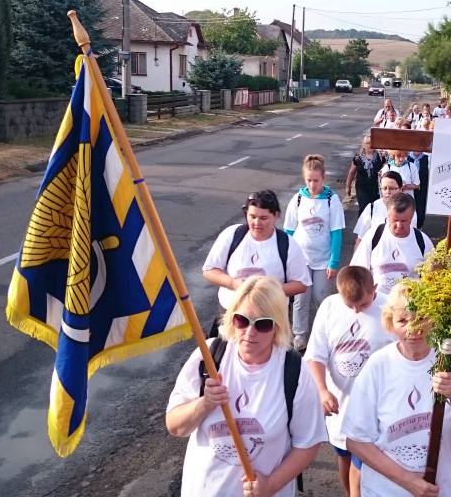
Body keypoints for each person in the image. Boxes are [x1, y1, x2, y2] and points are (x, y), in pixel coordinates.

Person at [166, 277, 328, 497]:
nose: (250, 332)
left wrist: (270, 485)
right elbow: (175, 427)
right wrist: (204, 404)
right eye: (242, 320)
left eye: (262, 324)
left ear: (277, 326)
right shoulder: (209, 357)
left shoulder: (294, 370)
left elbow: (308, 443)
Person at [342, 284, 451, 497]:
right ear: (390, 323)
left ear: (435, 318)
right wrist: (409, 482)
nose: (413, 329)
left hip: (447, 490)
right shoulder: (378, 365)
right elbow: (356, 441)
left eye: (422, 318)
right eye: (402, 320)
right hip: (386, 492)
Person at [304, 267, 395, 497]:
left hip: (379, 405)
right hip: (341, 405)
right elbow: (315, 355)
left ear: (374, 289)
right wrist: (322, 390)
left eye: (363, 305)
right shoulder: (329, 307)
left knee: (369, 462)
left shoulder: (389, 308)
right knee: (344, 456)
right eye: (350, 305)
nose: (356, 310)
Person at [202, 190, 312, 336]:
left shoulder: (287, 244)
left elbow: (301, 284)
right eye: (252, 216)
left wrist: (266, 292)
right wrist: (233, 283)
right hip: (232, 315)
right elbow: (209, 270)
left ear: (276, 215)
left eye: (264, 218)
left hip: (269, 320)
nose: (256, 223)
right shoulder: (232, 235)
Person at [284, 155, 346, 351]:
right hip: (301, 259)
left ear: (323, 178)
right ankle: (300, 335)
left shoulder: (330, 200)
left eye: (316, 180)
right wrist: (287, 258)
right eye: (309, 180)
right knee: (300, 300)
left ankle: (324, 333)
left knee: (321, 297)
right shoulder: (298, 199)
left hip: (323, 259)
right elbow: (289, 231)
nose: (312, 185)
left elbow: (336, 231)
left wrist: (333, 261)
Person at [349, 193, 433, 296]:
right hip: (377, 301)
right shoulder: (374, 235)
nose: (399, 225)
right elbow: (357, 271)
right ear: (388, 216)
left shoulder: (423, 242)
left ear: (412, 218)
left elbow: (433, 278)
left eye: (404, 221)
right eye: (395, 220)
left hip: (409, 303)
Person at [351, 172, 417, 249]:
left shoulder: (408, 210)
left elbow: (411, 238)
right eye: (384, 188)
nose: (388, 192)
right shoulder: (371, 208)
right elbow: (360, 240)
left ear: (401, 189)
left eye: (392, 188)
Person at [346, 135, 385, 216]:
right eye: (367, 143)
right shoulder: (358, 158)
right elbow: (352, 172)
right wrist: (348, 186)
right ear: (363, 145)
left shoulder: (380, 156)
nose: (369, 145)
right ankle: (362, 223)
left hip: (376, 188)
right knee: (364, 208)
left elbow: (386, 169)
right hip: (362, 188)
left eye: (371, 143)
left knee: (375, 209)